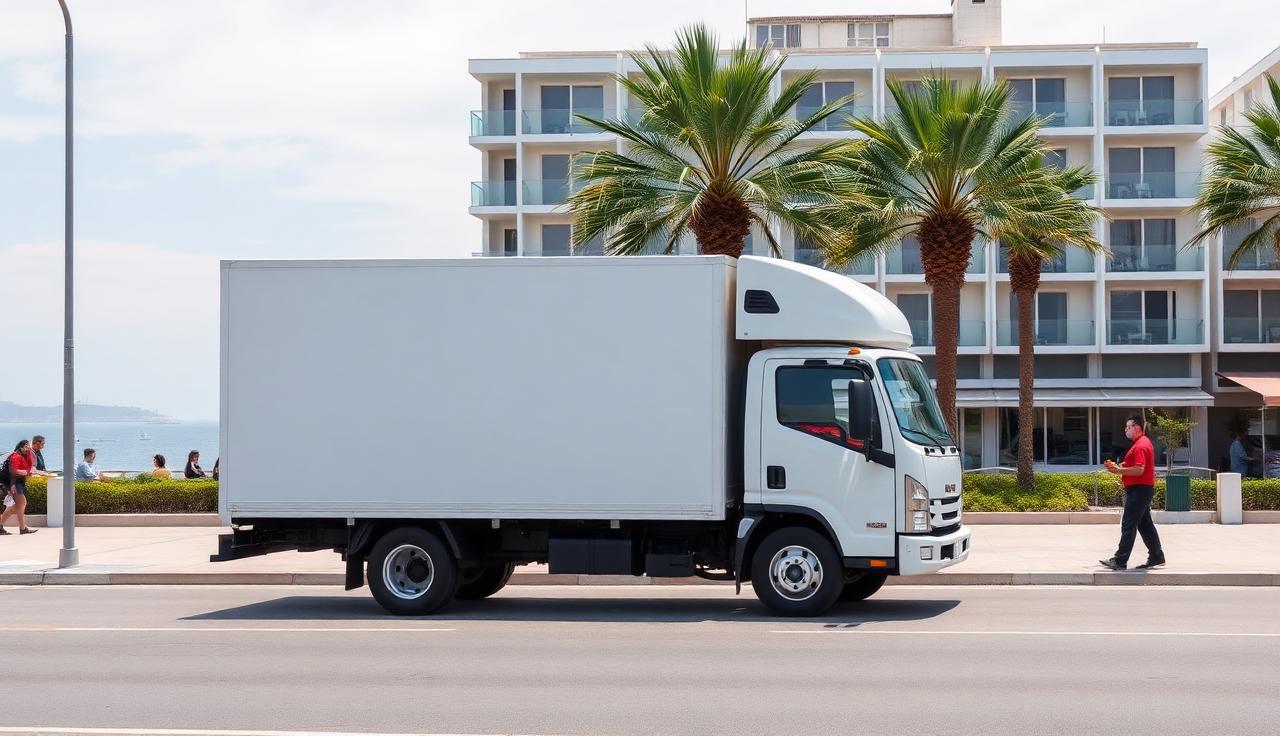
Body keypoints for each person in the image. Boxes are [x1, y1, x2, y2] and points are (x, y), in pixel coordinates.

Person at [1100, 415, 1165, 571]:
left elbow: (1139, 469)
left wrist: (1119, 470)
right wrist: (1119, 466)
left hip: (1139, 489)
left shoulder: (1141, 445)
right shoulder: (1140, 443)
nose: (1126, 430)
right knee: (1145, 524)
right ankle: (1157, 556)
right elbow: (1135, 466)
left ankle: (1120, 560)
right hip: (1142, 489)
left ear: (1137, 428)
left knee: (1129, 523)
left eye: (1128, 427)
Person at [0, 439, 38, 535]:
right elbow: (13, 471)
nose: (27, 448)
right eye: (25, 447)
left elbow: (30, 466)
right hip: (14, 483)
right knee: (21, 504)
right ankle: (22, 528)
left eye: (28, 446)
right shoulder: (15, 456)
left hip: (19, 482)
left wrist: (29, 470)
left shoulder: (25, 454)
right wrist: (13, 484)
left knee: (16, 507)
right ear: (20, 447)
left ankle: (19, 528)